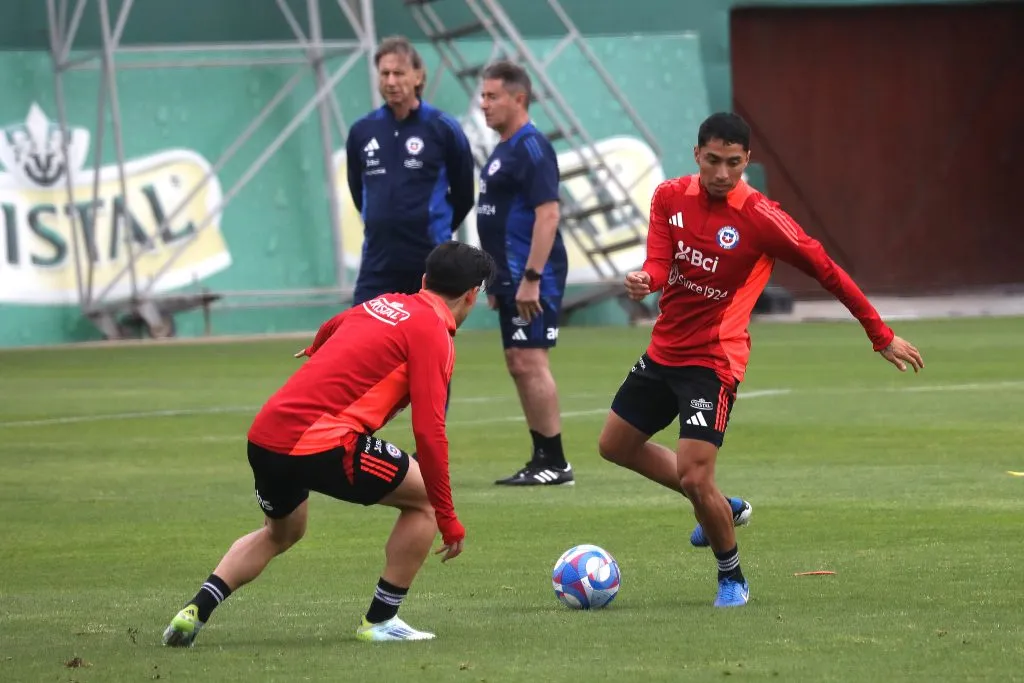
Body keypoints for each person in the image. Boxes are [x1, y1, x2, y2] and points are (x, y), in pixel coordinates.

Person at [597, 112, 924, 608]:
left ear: (747, 160)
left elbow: (828, 271)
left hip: (714, 359)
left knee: (693, 474)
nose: (722, 173)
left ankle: (733, 577)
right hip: (664, 350)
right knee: (614, 446)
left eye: (733, 162)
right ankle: (721, 508)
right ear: (696, 156)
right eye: (713, 161)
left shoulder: (762, 218)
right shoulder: (668, 197)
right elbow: (661, 262)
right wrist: (647, 278)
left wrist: (879, 335)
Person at [162, 241, 495, 646]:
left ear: (424, 280)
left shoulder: (384, 302)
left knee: (281, 533)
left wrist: (318, 348)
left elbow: (336, 323)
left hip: (266, 436)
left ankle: (195, 610)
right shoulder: (434, 334)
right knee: (424, 500)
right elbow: (429, 431)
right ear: (473, 295)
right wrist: (448, 515)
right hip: (323, 444)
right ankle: (380, 621)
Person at [475, 60, 573, 487]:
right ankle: (542, 457)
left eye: (493, 96)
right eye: (482, 96)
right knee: (519, 361)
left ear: (520, 98)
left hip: (533, 274)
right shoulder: (506, 147)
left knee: (530, 360)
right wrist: (496, 281)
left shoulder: (532, 147)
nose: (484, 104)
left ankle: (554, 462)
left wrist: (531, 277)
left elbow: (547, 213)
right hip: (511, 276)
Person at [345, 35, 475, 306]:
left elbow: (464, 194)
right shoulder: (362, 131)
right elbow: (359, 192)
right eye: (385, 74)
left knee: (426, 343)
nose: (391, 81)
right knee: (362, 338)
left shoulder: (443, 128)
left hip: (428, 261)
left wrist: (433, 229)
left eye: (399, 73)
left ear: (418, 76)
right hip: (378, 261)